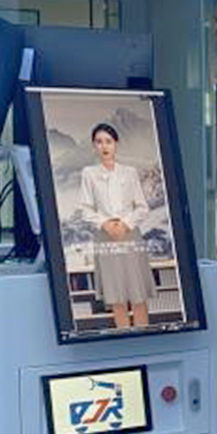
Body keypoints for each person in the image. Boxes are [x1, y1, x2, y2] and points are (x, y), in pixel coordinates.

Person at [77, 122, 155, 330]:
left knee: (138, 295)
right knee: (116, 296)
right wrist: (105, 224)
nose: (104, 146)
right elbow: (85, 209)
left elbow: (142, 207)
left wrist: (126, 224)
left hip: (130, 236)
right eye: (99, 142)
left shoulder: (129, 172)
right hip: (106, 238)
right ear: (94, 145)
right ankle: (125, 340)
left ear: (116, 144)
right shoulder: (89, 173)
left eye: (108, 141)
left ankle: (143, 338)